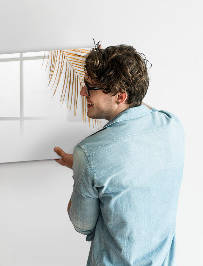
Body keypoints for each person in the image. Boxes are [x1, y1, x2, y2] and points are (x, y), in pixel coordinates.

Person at [54, 44, 184, 265]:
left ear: (120, 96)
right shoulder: (172, 125)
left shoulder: (89, 153)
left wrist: (82, 168)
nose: (82, 92)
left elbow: (82, 225)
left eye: (90, 86)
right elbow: (140, 109)